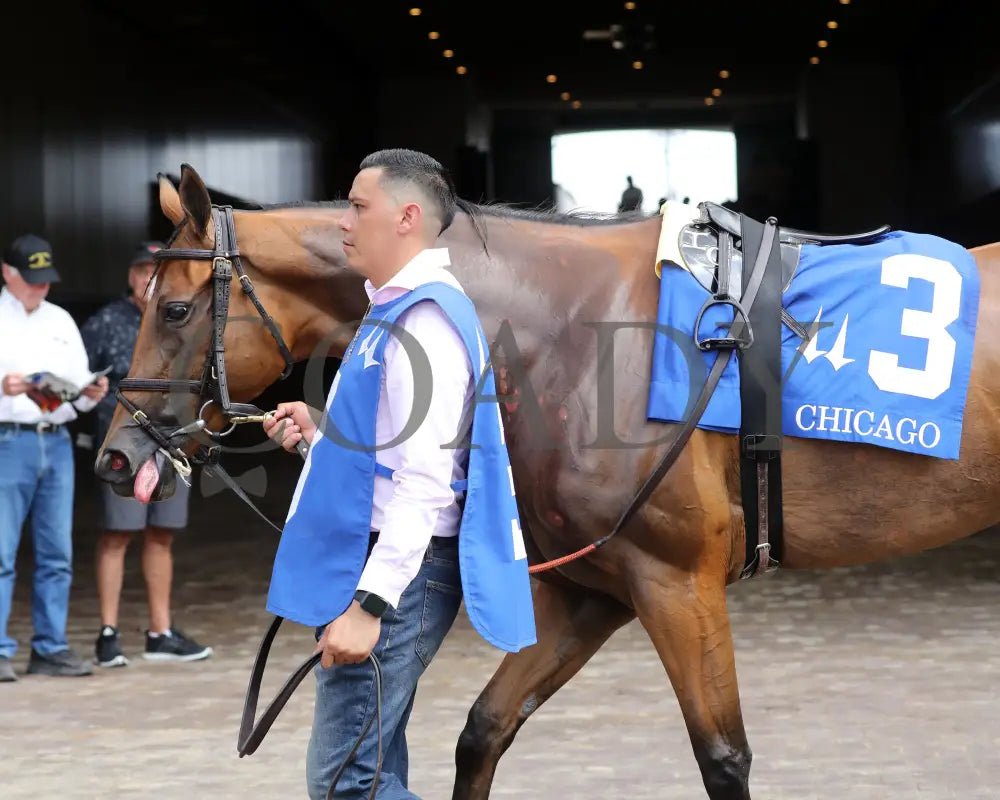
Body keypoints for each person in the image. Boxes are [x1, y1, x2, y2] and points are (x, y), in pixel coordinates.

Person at [262, 148, 536, 799]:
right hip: (394, 563)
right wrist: (321, 440)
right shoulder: (397, 311)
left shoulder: (426, 321)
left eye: (358, 207)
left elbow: (423, 481)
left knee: (344, 783)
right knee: (371, 771)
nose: (344, 222)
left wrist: (370, 604)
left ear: (407, 216)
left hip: (399, 574)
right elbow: (390, 459)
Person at [80, 242, 212, 668]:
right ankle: (108, 635)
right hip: (125, 442)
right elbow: (79, 379)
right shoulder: (106, 322)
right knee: (117, 535)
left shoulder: (185, 320)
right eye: (142, 272)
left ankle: (160, 632)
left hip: (171, 442)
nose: (149, 281)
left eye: (157, 274)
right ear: (131, 277)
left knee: (162, 535)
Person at [0, 234, 109, 681]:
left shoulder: (61, 319)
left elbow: (77, 390)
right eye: (32, 279)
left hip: (57, 440)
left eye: (46, 280)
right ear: (8, 273)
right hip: (8, 440)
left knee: (57, 552)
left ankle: (50, 646)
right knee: (2, 553)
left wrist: (91, 394)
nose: (40, 287)